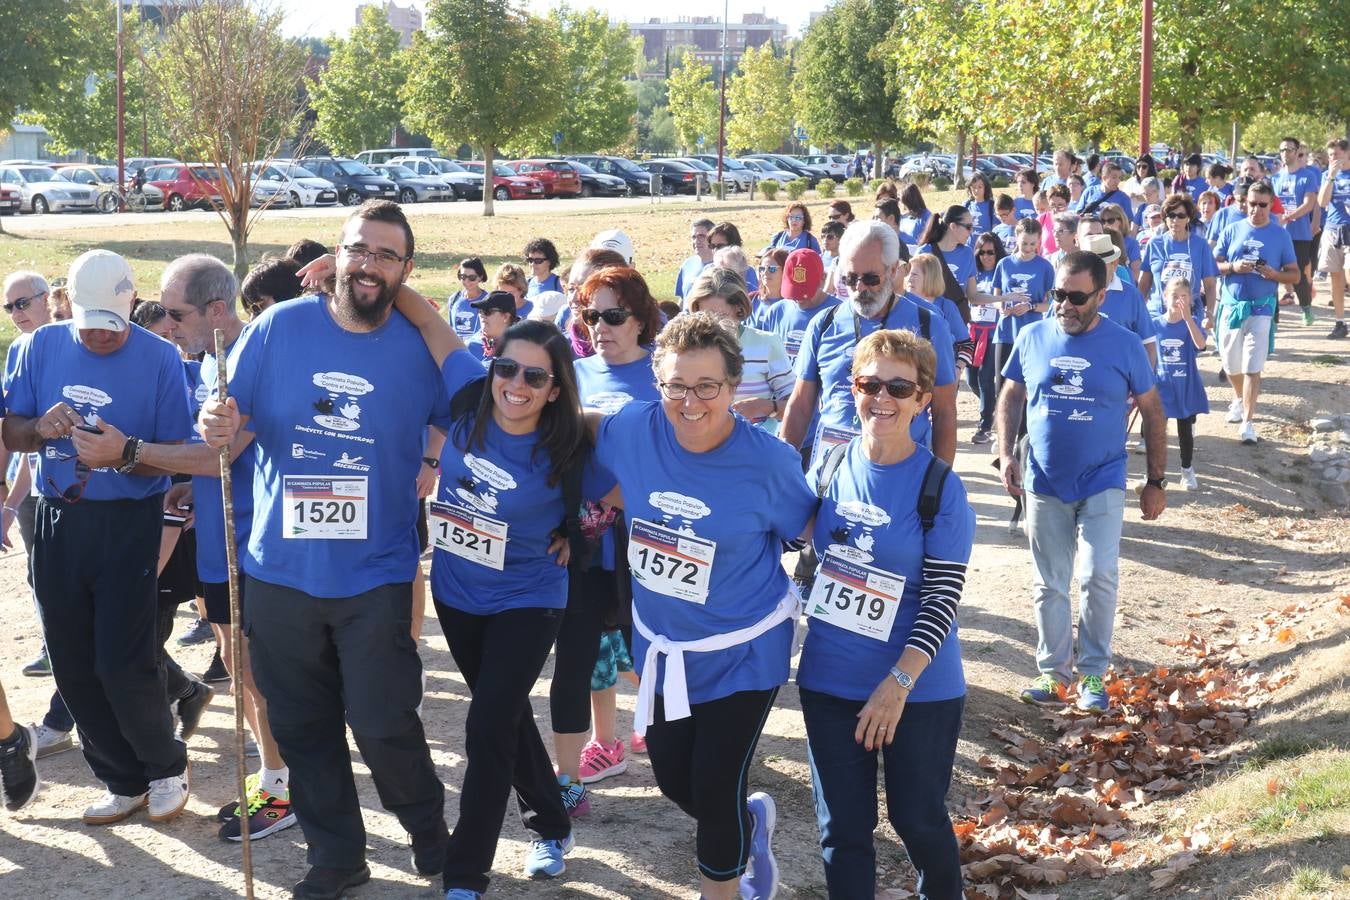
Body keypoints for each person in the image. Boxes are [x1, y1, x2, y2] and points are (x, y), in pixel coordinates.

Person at [198, 201, 450, 899]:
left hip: (376, 570)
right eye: (358, 249)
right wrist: (215, 422)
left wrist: (427, 458)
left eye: (386, 255)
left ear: (405, 270)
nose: (368, 265)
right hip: (280, 570)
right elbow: (229, 418)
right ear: (333, 257)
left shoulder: (418, 343)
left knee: (380, 718)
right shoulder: (279, 327)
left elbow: (457, 415)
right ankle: (337, 855)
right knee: (302, 726)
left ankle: (431, 836)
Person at [584, 311, 818, 900]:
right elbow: (580, 430)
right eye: (676, 386)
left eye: (707, 387)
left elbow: (806, 526)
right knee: (673, 780)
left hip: (743, 648)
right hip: (662, 644)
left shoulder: (768, 462)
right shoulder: (633, 428)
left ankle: (729, 885)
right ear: (656, 383)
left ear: (734, 388)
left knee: (714, 789)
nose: (690, 402)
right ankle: (750, 822)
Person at [388, 282, 596, 895]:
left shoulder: (574, 443)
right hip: (458, 590)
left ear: (555, 389)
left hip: (529, 598)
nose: (517, 385)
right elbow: (428, 320)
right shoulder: (469, 393)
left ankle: (465, 874)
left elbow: (625, 482)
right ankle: (553, 821)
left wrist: (582, 527)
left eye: (536, 378)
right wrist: (350, 268)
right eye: (508, 367)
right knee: (501, 716)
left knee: (485, 728)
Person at [4, 249, 193, 826]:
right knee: (70, 661)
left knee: (123, 659)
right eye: (87, 325)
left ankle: (166, 768)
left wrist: (123, 451)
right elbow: (11, 429)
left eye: (109, 327)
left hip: (127, 521)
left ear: (130, 305)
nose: (98, 337)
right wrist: (38, 427)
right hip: (57, 517)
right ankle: (121, 779)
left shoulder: (161, 357)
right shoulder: (40, 345)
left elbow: (176, 458)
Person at [800, 328, 974, 900]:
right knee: (843, 832)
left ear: (924, 398)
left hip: (917, 688)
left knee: (917, 821)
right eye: (869, 383)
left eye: (899, 387)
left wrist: (896, 684)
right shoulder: (826, 466)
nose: (882, 398)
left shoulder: (939, 487)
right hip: (829, 681)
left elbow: (943, 598)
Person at [136, 253, 294, 842]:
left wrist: (133, 452)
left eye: (175, 313)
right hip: (217, 538)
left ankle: (285, 787)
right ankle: (273, 776)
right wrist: (188, 486)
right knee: (234, 662)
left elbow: (217, 454)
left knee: (256, 670)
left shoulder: (247, 359)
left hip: (253, 543)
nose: (166, 323)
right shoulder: (209, 361)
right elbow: (212, 465)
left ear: (217, 310)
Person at [997, 250, 1167, 713]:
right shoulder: (1032, 337)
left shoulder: (1126, 344)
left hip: (1103, 477)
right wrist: (1005, 452)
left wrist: (1156, 479)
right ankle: (1053, 675)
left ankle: (1092, 674)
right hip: (1045, 480)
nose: (1065, 305)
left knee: (1097, 575)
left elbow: (1153, 410)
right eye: (1058, 295)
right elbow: (1011, 394)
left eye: (1076, 296)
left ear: (1099, 294)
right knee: (1049, 583)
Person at [551, 266, 664, 815]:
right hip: (586, 548)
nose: (600, 325)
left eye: (613, 315)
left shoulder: (664, 375)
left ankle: (664, 740)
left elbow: (674, 461)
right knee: (582, 653)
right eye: (591, 315)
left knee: (654, 651)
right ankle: (585, 760)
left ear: (641, 319)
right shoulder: (573, 373)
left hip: (650, 547)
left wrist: (620, 500)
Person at [782, 220, 958, 468]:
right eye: (851, 278)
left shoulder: (929, 325)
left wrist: (939, 482)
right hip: (833, 469)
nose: (860, 288)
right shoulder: (823, 324)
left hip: (904, 471)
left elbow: (944, 412)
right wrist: (781, 470)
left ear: (894, 269)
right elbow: (800, 405)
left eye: (871, 278)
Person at [1213, 182, 1299, 445]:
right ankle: (1238, 399)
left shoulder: (1280, 234)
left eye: (1263, 205)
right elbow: (1214, 264)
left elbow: (1294, 273)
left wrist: (1274, 274)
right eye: (1252, 204)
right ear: (1245, 203)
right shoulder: (1232, 229)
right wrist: (1233, 266)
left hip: (1262, 307)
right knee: (1230, 364)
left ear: (1271, 204)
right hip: (1232, 305)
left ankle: (1248, 423)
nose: (1257, 210)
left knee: (1253, 367)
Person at [686, 267, 795, 434]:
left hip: (754, 451)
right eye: (703, 316)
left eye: (719, 316)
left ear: (739, 307)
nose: (711, 324)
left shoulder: (766, 344)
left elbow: (796, 406)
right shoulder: (687, 350)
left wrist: (767, 407)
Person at [1151, 277, 1209, 490]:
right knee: (1158, 432)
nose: (1178, 300)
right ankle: (1156, 475)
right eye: (1174, 296)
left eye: (1183, 296)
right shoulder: (1155, 324)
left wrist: (1188, 320)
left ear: (1190, 299)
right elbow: (1148, 355)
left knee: (1185, 431)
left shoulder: (1190, 323)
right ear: (1165, 297)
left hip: (1185, 386)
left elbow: (1201, 344)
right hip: (1162, 386)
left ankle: (1187, 469)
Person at [1077, 231, 1158, 368]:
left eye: (1099, 266)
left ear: (1114, 264)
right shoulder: (1070, 293)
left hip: (1120, 378)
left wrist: (1145, 384)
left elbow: (1148, 343)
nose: (1093, 272)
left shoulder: (1131, 295)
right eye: (1088, 266)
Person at [1138, 192, 1220, 324]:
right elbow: (1144, 283)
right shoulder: (1154, 244)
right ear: (1165, 217)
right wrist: (1139, 313)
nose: (1175, 220)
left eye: (1181, 216)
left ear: (1188, 218)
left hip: (1190, 315)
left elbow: (1210, 285)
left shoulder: (1200, 245)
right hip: (1158, 315)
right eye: (1171, 215)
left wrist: (1209, 314)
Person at [1273, 137, 1320, 325]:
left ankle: (1306, 307)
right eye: (1282, 150)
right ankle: (1273, 317)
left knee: (1298, 274)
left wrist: (1289, 216)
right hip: (1276, 233)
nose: (1285, 153)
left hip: (1299, 234)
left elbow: (1309, 204)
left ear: (1297, 151)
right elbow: (1270, 203)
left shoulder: (1307, 176)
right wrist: (1277, 217)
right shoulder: (1274, 178)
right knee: (1272, 273)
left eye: (1289, 149)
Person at [968, 232, 1006, 444]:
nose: (986, 256)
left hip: (993, 333)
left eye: (990, 252)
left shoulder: (1002, 272)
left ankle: (984, 425)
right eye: (981, 252)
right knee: (971, 379)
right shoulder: (973, 273)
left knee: (985, 377)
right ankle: (991, 408)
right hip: (973, 331)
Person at [1317, 138, 1350, 339]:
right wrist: (1330, 176)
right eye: (1330, 155)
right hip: (1332, 229)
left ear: (1347, 154)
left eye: (1336, 154)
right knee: (1335, 277)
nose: (1333, 158)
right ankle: (1340, 322)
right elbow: (1322, 202)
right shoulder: (1327, 176)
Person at [708, 221, 761, 294]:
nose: (715, 250)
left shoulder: (747, 271)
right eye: (712, 246)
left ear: (733, 246)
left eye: (720, 246)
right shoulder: (707, 270)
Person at [469, 290, 521, 362]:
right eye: (480, 311)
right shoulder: (470, 346)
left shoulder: (523, 347)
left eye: (488, 311)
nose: (482, 315)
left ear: (506, 317)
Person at [676, 217, 716, 305]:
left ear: (712, 238)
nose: (696, 241)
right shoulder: (687, 265)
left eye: (701, 236)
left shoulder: (721, 266)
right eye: (693, 237)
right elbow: (683, 299)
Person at [447, 256, 489, 341]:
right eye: (463, 277)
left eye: (472, 278)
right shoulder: (454, 299)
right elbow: (450, 330)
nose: (467, 281)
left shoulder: (488, 300)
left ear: (480, 277)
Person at [1098, 202, 1142, 283]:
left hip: (1125, 283)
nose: (1105, 224)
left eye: (1110, 220)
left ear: (1121, 221)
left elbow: (1136, 270)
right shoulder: (1099, 241)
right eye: (1102, 221)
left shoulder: (1132, 243)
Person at [898, 183, 933, 255]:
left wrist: (899, 234)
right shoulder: (901, 217)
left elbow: (924, 242)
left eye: (899, 198)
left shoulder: (926, 216)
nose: (899, 201)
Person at [965, 174, 996, 245]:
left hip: (985, 250)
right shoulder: (966, 205)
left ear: (985, 187)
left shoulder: (992, 206)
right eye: (973, 187)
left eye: (980, 187)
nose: (976, 190)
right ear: (969, 188)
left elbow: (995, 230)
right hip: (969, 248)